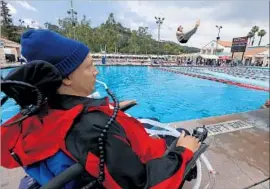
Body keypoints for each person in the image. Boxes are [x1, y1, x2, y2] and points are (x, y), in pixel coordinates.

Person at [1, 29, 200, 189]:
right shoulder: (93, 131)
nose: (96, 71)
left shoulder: (42, 110)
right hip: (149, 164)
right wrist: (184, 152)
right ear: (67, 78)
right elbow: (142, 184)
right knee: (184, 135)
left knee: (151, 119)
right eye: (89, 66)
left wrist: (111, 108)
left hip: (114, 155)